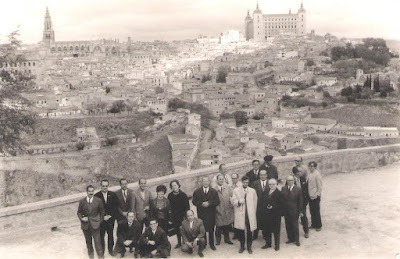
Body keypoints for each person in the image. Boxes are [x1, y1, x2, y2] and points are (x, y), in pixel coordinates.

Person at [231, 176, 257, 254]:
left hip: (249, 214)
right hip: (241, 213)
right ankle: (242, 246)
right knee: (241, 231)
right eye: (244, 182)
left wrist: (253, 212)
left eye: (247, 182)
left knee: (249, 231)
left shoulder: (252, 191)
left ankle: (249, 247)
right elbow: (233, 201)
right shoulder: (236, 190)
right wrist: (239, 202)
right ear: (241, 182)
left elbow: (255, 201)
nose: (245, 184)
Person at [192, 176, 220, 251]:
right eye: (204, 181)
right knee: (202, 229)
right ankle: (204, 244)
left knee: (211, 229)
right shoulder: (197, 191)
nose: (205, 182)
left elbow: (217, 201)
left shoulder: (213, 191)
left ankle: (211, 244)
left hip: (211, 213)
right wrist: (201, 203)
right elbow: (194, 201)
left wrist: (209, 203)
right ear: (202, 182)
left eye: (207, 181)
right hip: (201, 213)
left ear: (209, 182)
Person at [77, 185, 105, 259]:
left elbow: (102, 212)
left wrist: (99, 221)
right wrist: (82, 218)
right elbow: (79, 212)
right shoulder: (82, 201)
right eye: (89, 191)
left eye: (92, 191)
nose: (91, 193)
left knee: (98, 243)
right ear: (87, 192)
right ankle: (91, 257)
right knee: (88, 243)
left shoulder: (98, 200)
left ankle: (101, 257)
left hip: (95, 225)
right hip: (86, 226)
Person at [94, 179, 119, 256]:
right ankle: (102, 252)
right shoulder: (96, 195)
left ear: (108, 186)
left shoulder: (113, 194)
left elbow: (116, 206)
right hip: (101, 220)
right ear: (100, 186)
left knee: (110, 235)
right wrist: (102, 217)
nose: (105, 187)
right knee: (101, 235)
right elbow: (95, 209)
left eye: (106, 186)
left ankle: (111, 250)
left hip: (110, 219)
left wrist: (110, 216)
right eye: (103, 186)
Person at [261, 178, 285, 251]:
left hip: (275, 215)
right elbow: (263, 201)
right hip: (267, 214)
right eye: (270, 184)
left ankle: (277, 245)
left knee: (276, 230)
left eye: (273, 184)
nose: (271, 185)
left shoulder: (279, 193)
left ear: (276, 184)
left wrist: (273, 207)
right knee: (267, 229)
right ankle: (268, 243)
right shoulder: (266, 192)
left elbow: (282, 205)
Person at [167, 179, 190, 249]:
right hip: (175, 216)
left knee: (184, 229)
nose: (174, 187)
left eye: (175, 185)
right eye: (172, 186)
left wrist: (186, 216)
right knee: (177, 230)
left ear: (178, 185)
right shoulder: (170, 195)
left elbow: (187, 207)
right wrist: (170, 217)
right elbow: (169, 207)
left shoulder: (183, 195)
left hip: (182, 216)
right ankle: (179, 243)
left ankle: (185, 242)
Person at [281, 175, 303, 246]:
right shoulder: (283, 188)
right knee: (288, 225)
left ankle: (297, 240)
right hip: (286, 210)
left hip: (294, 211)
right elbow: (282, 200)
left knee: (295, 225)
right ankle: (290, 238)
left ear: (294, 181)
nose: (289, 182)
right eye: (288, 180)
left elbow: (300, 201)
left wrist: (300, 211)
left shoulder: (298, 189)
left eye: (291, 180)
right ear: (286, 181)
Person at [214, 174, 234, 246]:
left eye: (222, 179)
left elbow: (232, 195)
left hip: (227, 209)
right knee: (219, 226)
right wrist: (216, 208)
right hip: (218, 210)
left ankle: (227, 239)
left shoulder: (228, 188)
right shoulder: (214, 189)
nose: (221, 180)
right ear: (217, 180)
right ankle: (218, 240)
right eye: (220, 179)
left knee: (226, 225)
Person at [292, 156, 310, 238]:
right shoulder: (290, 181)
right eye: (298, 172)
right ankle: (295, 235)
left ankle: (306, 231)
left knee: (303, 217)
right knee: (294, 218)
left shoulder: (303, 180)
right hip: (294, 203)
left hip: (302, 202)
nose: (300, 173)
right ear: (295, 173)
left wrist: (305, 202)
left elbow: (306, 191)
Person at [251, 169, 269, 240]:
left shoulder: (270, 183)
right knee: (257, 220)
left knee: (266, 220)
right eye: (261, 175)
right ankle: (255, 235)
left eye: (264, 175)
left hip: (266, 206)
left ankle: (265, 234)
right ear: (259, 175)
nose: (263, 176)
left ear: (266, 175)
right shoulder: (255, 183)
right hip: (257, 205)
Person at [307, 161, 322, 231]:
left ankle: (318, 225)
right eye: (310, 166)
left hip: (315, 196)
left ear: (315, 167)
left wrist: (318, 195)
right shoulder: (309, 173)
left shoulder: (317, 174)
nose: (310, 167)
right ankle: (313, 224)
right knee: (312, 210)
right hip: (310, 195)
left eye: (312, 166)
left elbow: (319, 186)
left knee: (316, 211)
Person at [230, 173, 242, 240]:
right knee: (234, 219)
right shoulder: (230, 185)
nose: (233, 179)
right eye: (232, 178)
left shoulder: (240, 185)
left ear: (237, 178)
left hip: (239, 204)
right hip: (232, 204)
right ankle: (235, 233)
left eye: (235, 178)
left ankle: (240, 234)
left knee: (239, 219)